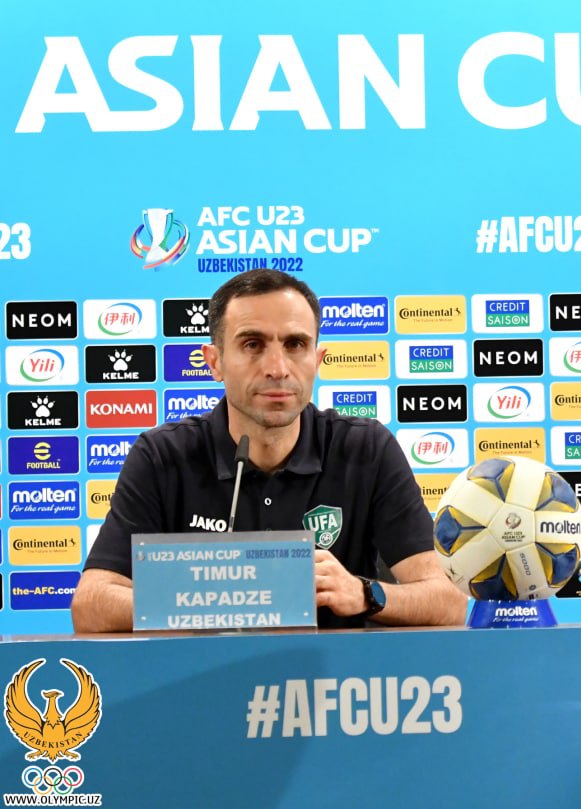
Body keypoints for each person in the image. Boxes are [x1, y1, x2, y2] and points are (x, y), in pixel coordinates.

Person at [71, 270, 467, 632]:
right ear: (215, 362)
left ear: (317, 359)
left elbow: (448, 601)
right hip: (203, 679)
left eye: (295, 344)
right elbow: (90, 605)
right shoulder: (163, 455)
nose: (277, 367)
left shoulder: (366, 449)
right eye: (252, 344)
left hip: (331, 683)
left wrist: (364, 593)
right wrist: (201, 600)